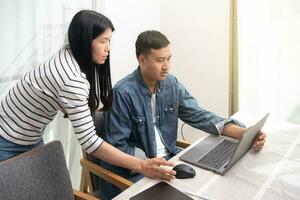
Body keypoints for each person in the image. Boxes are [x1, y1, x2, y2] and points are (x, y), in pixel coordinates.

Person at [0, 11, 176, 182]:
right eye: (103, 41)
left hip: (29, 135)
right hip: (7, 138)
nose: (108, 49)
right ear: (85, 41)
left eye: (109, 41)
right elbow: (90, 143)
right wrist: (141, 165)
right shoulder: (72, 78)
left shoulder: (69, 54)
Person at [99, 30, 267, 199]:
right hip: (137, 171)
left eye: (169, 59)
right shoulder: (122, 93)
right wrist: (149, 164)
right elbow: (117, 145)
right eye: (160, 60)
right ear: (141, 60)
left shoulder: (171, 83)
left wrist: (243, 134)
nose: (166, 66)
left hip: (171, 159)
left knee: (222, 186)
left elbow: (199, 115)